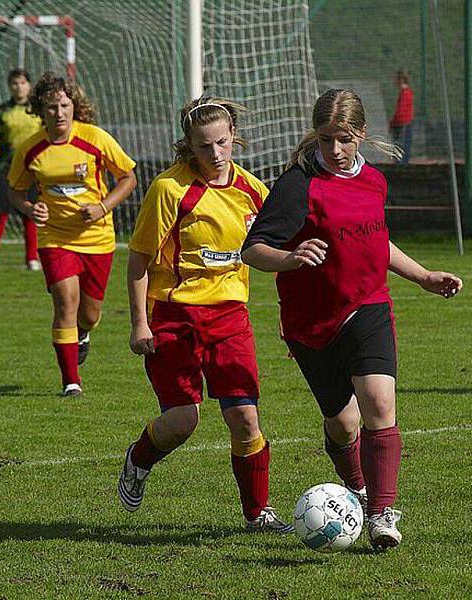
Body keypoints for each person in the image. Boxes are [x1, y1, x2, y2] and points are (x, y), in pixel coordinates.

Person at [242, 88, 463, 550]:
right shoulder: (297, 185)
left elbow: (374, 243)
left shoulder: (375, 182)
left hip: (368, 306)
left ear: (361, 133)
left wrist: (422, 275)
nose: (336, 150)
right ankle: (358, 492)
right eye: (326, 140)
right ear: (316, 137)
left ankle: (382, 513)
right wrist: (289, 257)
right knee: (343, 425)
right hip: (312, 324)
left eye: (344, 139)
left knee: (379, 404)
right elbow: (254, 249)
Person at [117, 97, 292, 534]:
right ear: (188, 146)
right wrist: (139, 323)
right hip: (174, 316)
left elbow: (278, 254)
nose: (215, 154)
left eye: (222, 142)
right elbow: (138, 262)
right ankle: (139, 460)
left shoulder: (254, 191)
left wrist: (291, 323)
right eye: (203, 146)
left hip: (231, 316)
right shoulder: (169, 190)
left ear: (234, 136)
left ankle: (257, 513)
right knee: (182, 421)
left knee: (245, 417)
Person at [8, 72, 137, 396]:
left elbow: (128, 178)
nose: (59, 113)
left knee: (90, 314)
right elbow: (15, 190)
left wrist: (103, 207)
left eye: (65, 105)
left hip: (97, 238)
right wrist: (28, 208)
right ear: (40, 109)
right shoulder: (31, 149)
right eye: (52, 107)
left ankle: (83, 332)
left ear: (74, 106)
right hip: (55, 238)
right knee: (65, 301)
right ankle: (71, 381)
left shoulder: (94, 137)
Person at [0, 68, 43, 271]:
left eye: (22, 83)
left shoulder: (38, 110)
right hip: (7, 168)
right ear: (9, 86)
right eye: (14, 83)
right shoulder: (2, 111)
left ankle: (32, 258)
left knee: (30, 213)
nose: (19, 87)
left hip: (33, 169)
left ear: (29, 85)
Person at [389, 69, 414, 164]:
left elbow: (401, 112)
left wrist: (393, 123)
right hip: (403, 124)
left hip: (401, 125)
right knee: (403, 147)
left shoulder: (406, 93)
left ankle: (401, 165)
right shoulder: (406, 93)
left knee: (400, 147)